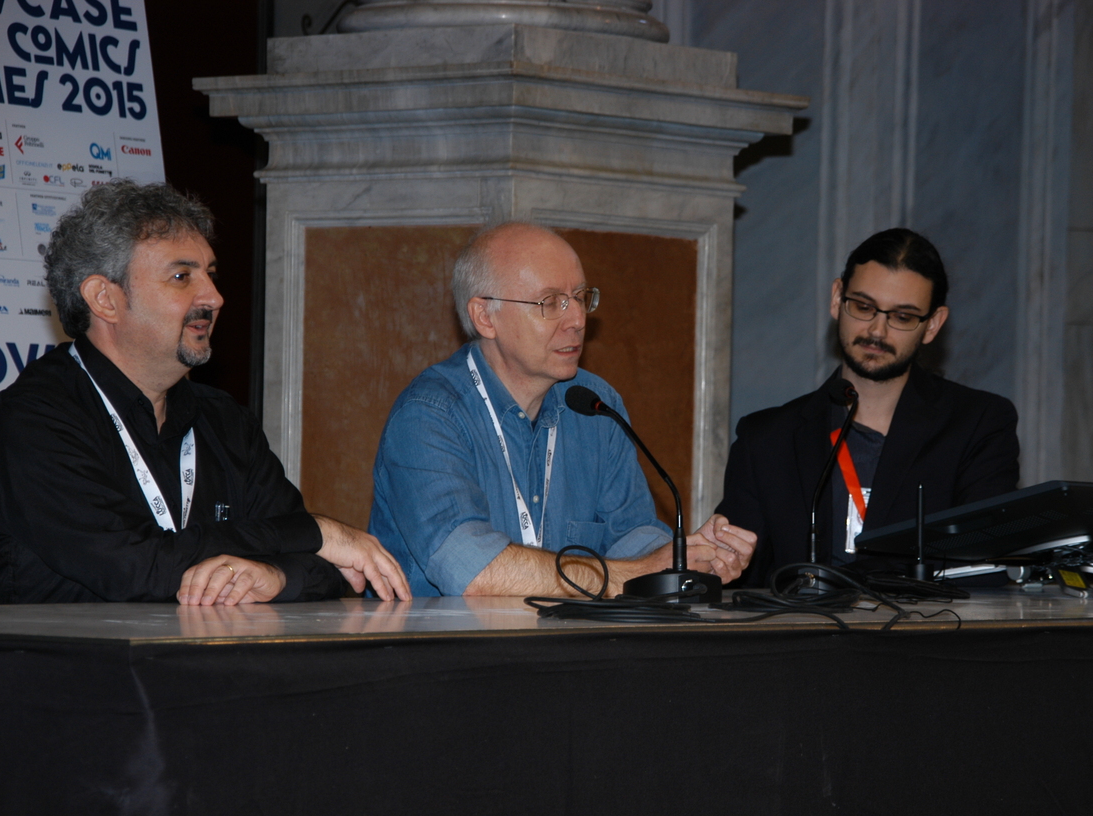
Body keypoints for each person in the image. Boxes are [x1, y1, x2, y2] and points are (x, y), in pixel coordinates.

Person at [0, 180, 410, 606]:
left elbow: (329, 568)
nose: (214, 297)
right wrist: (314, 531)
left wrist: (273, 576)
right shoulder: (29, 422)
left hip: (193, 665)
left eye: (210, 273)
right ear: (105, 299)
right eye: (182, 277)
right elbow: (136, 566)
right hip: (40, 668)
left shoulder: (225, 421)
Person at [370, 222, 756, 597]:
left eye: (581, 297)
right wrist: (633, 575)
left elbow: (630, 535)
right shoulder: (428, 416)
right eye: (550, 302)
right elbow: (475, 573)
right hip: (446, 641)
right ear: (485, 317)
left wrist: (686, 559)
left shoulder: (595, 404)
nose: (577, 320)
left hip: (568, 638)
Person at [717, 228, 1019, 585]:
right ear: (837, 299)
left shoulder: (978, 425)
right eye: (863, 307)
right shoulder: (766, 439)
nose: (877, 331)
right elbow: (738, 584)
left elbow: (982, 574)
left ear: (933, 325)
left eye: (902, 317)